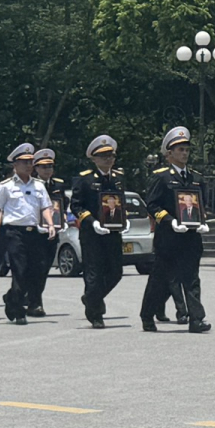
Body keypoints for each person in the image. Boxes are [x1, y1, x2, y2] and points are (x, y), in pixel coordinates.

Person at [140, 126, 211, 334]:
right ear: (169, 154)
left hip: (190, 237)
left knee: (192, 279)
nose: (185, 153)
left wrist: (202, 221)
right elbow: (152, 205)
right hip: (169, 238)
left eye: (187, 149)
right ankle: (147, 314)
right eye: (180, 150)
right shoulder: (161, 177)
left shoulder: (196, 178)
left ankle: (196, 319)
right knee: (160, 280)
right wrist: (170, 221)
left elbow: (200, 205)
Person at [0, 145, 57, 325]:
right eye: (24, 162)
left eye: (30, 162)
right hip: (14, 233)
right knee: (19, 270)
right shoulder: (6, 186)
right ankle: (18, 310)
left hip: (34, 233)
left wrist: (50, 224)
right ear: (15, 165)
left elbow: (46, 207)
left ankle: (11, 298)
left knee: (36, 270)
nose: (28, 165)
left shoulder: (38, 185)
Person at [69, 135, 127, 329]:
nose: (107, 159)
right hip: (92, 234)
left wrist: (123, 221)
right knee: (93, 274)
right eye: (103, 156)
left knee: (116, 272)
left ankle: (90, 298)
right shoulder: (85, 179)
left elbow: (120, 203)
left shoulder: (118, 179)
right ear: (94, 159)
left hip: (113, 233)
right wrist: (92, 222)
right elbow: (76, 206)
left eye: (110, 156)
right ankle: (95, 314)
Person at [27, 149, 64, 316]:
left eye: (50, 166)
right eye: (43, 167)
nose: (47, 170)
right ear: (36, 168)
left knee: (45, 267)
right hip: (34, 233)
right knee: (35, 268)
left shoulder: (58, 185)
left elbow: (61, 205)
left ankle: (16, 296)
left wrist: (61, 218)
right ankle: (35, 303)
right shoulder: (31, 184)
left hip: (52, 232)